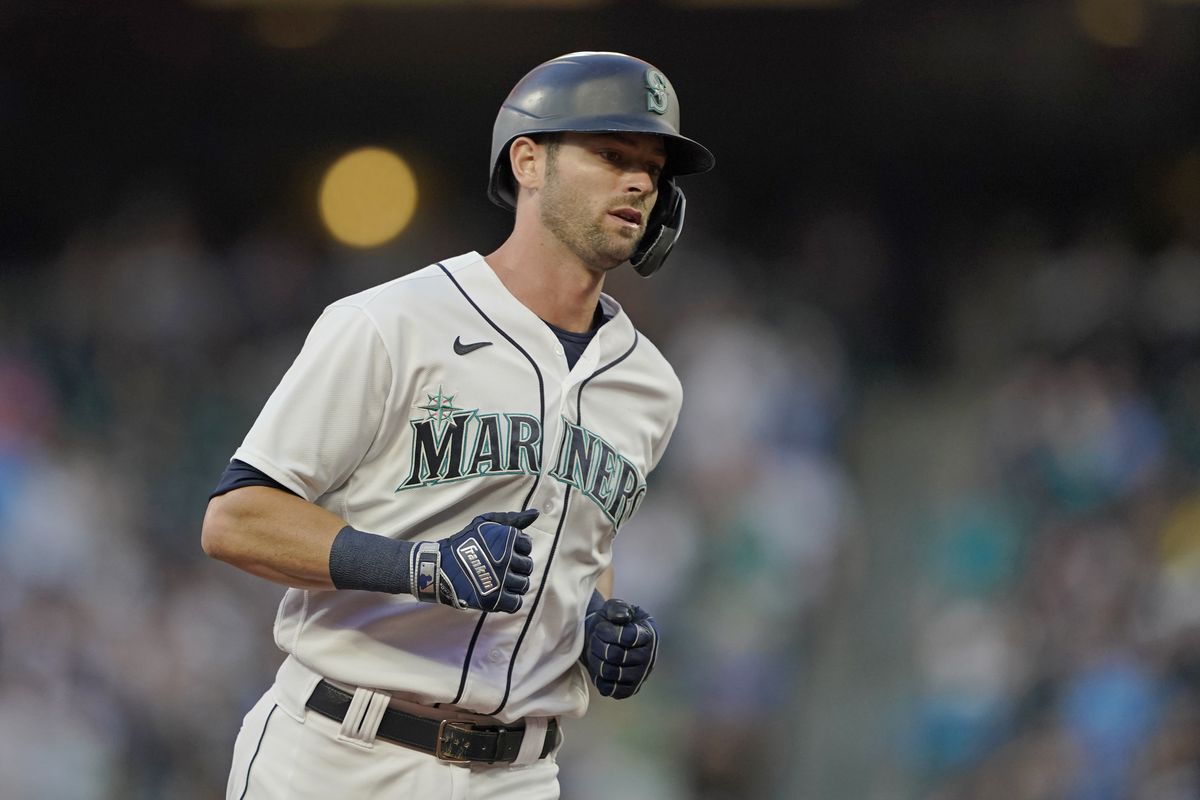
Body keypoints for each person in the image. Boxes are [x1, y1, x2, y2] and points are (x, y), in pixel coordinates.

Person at [201, 50, 714, 799]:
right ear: (529, 162)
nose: (641, 181)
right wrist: (418, 566)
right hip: (340, 756)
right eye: (612, 154)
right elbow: (236, 519)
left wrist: (599, 621)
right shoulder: (390, 322)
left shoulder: (650, 385)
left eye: (654, 167)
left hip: (518, 773)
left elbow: (579, 537)